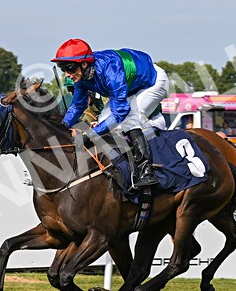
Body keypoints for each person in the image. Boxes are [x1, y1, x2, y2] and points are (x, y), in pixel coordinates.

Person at [53, 38, 168, 189]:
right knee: (103, 119)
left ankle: (146, 171)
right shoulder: (82, 77)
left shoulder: (110, 70)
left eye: (69, 68)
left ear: (84, 63)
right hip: (130, 85)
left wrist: (91, 134)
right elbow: (78, 105)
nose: (67, 74)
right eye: (63, 69)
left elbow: (120, 112)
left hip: (153, 82)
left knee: (129, 118)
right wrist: (61, 127)